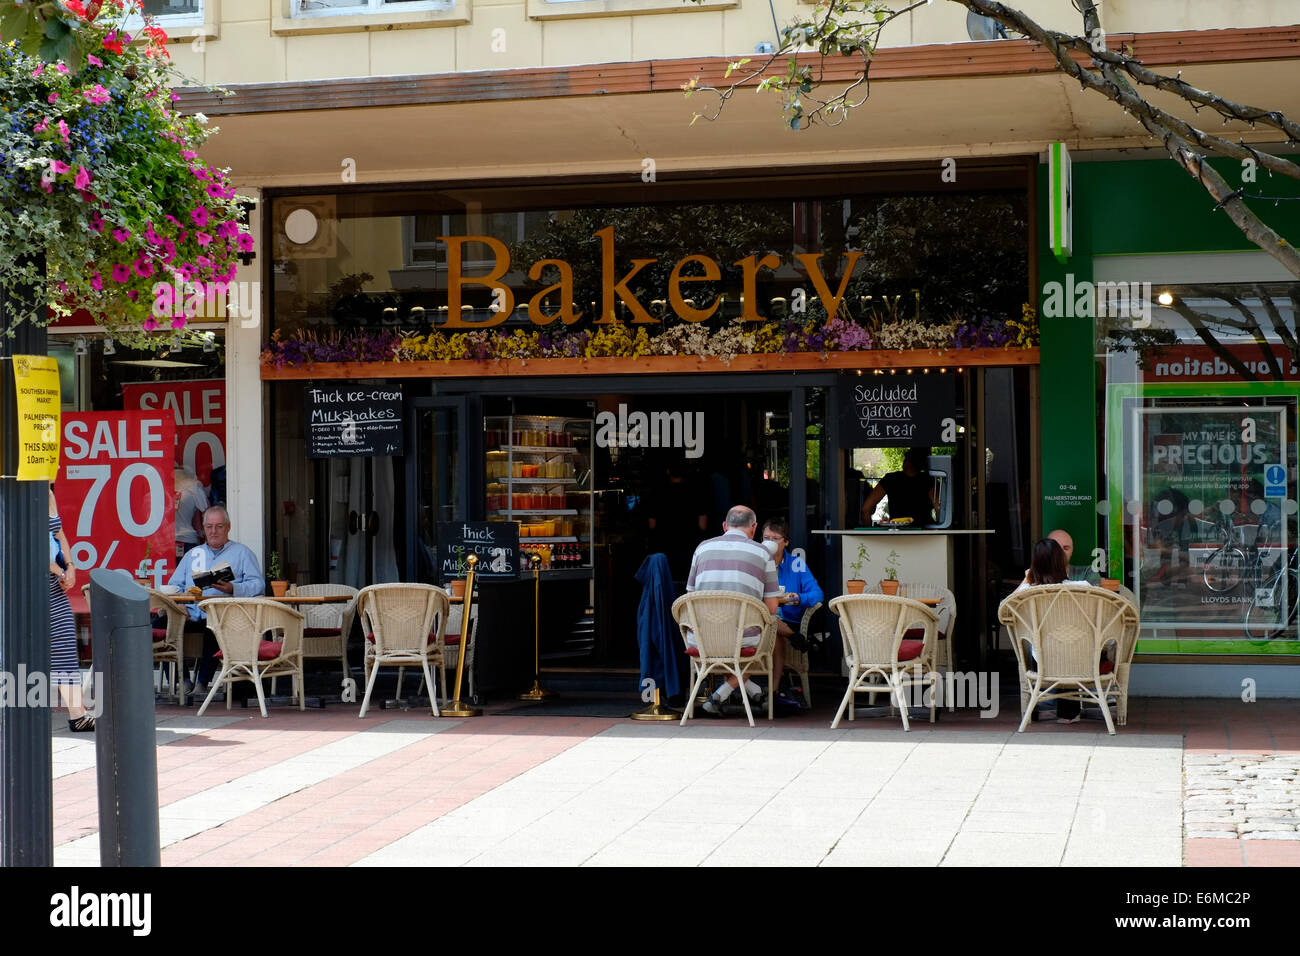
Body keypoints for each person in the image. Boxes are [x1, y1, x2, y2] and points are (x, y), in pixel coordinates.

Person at [684, 505, 780, 717]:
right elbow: (772, 607)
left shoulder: (702, 548)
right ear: (754, 528)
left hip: (701, 639)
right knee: (766, 631)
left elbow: (689, 594)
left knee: (734, 640)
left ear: (725, 526)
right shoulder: (763, 553)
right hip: (742, 641)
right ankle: (723, 695)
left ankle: (746, 694)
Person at [168, 505, 266, 692]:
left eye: (219, 526)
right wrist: (180, 603)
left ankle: (202, 684)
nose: (213, 532)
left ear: (228, 527)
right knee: (160, 627)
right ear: (203, 529)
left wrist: (233, 588)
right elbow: (174, 586)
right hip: (191, 614)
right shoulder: (192, 555)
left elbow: (258, 584)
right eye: (209, 527)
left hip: (222, 616)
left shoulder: (242, 553)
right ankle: (183, 681)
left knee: (215, 629)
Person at [1012, 537, 1093, 724]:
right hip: (1081, 660)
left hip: (1043, 662)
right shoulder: (1083, 588)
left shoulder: (1027, 593)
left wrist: (1027, 579)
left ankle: (1039, 710)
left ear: (1035, 565)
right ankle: (1068, 713)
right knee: (1070, 643)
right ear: (1062, 562)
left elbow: (1005, 609)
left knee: (1048, 645)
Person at [760, 517, 824, 709]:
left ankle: (772, 692)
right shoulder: (756, 563)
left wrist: (798, 598)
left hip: (787, 620)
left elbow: (817, 594)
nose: (768, 543)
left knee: (775, 629)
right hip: (760, 621)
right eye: (765, 538)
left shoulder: (795, 564)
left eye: (774, 538)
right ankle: (796, 639)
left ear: (786, 541)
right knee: (771, 623)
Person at [49, 489, 94, 731]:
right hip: (28, 583)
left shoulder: (47, 492)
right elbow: (28, 542)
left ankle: (78, 714)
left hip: (52, 584)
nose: (56, 465)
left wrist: (70, 565)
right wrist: (61, 571)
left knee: (64, 642)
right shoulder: (23, 489)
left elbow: (60, 534)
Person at [861, 447, 937, 526]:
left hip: (897, 532)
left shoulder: (890, 479)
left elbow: (866, 509)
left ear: (907, 459)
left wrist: (870, 534)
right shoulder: (928, 480)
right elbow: (939, 508)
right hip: (925, 533)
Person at [173, 466, 209, 559]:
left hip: (185, 541)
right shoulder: (193, 488)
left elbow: (207, 515)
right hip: (168, 543)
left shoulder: (193, 487)